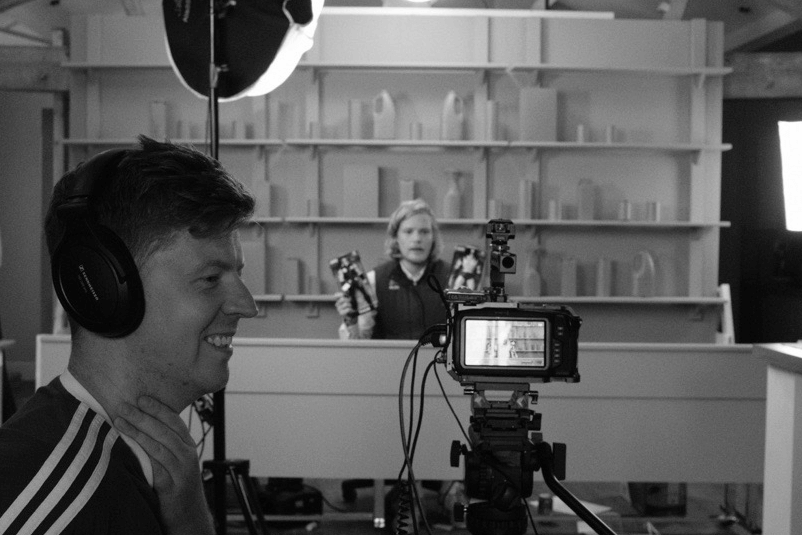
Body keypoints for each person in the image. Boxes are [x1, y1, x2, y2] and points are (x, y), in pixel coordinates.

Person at [0, 136, 258, 534]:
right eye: (210, 278)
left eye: (237, 274)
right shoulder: (57, 505)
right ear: (103, 290)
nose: (247, 305)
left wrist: (192, 523)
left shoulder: (146, 470)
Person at [335, 198, 449, 340]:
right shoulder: (374, 280)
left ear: (434, 238)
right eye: (408, 231)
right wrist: (351, 320)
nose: (417, 239)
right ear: (396, 238)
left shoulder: (452, 279)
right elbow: (357, 344)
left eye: (424, 232)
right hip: (388, 361)